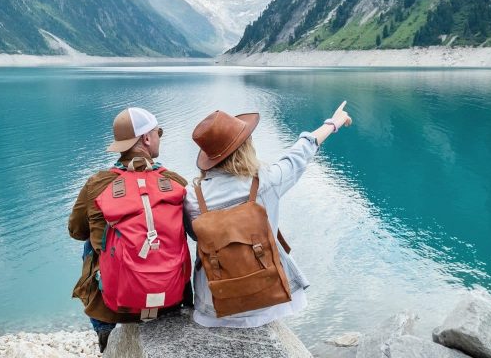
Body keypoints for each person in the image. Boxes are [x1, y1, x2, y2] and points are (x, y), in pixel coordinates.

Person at [184, 101, 352, 327]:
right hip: (268, 299)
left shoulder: (193, 197)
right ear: (245, 147)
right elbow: (299, 153)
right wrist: (333, 123)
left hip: (213, 305)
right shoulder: (265, 181)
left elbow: (196, 236)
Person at [69, 107, 190, 351]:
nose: (159, 138)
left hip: (116, 305)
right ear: (146, 138)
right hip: (170, 298)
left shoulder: (97, 184)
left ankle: (105, 332)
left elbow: (76, 230)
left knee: (92, 242)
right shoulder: (175, 182)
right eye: (158, 133)